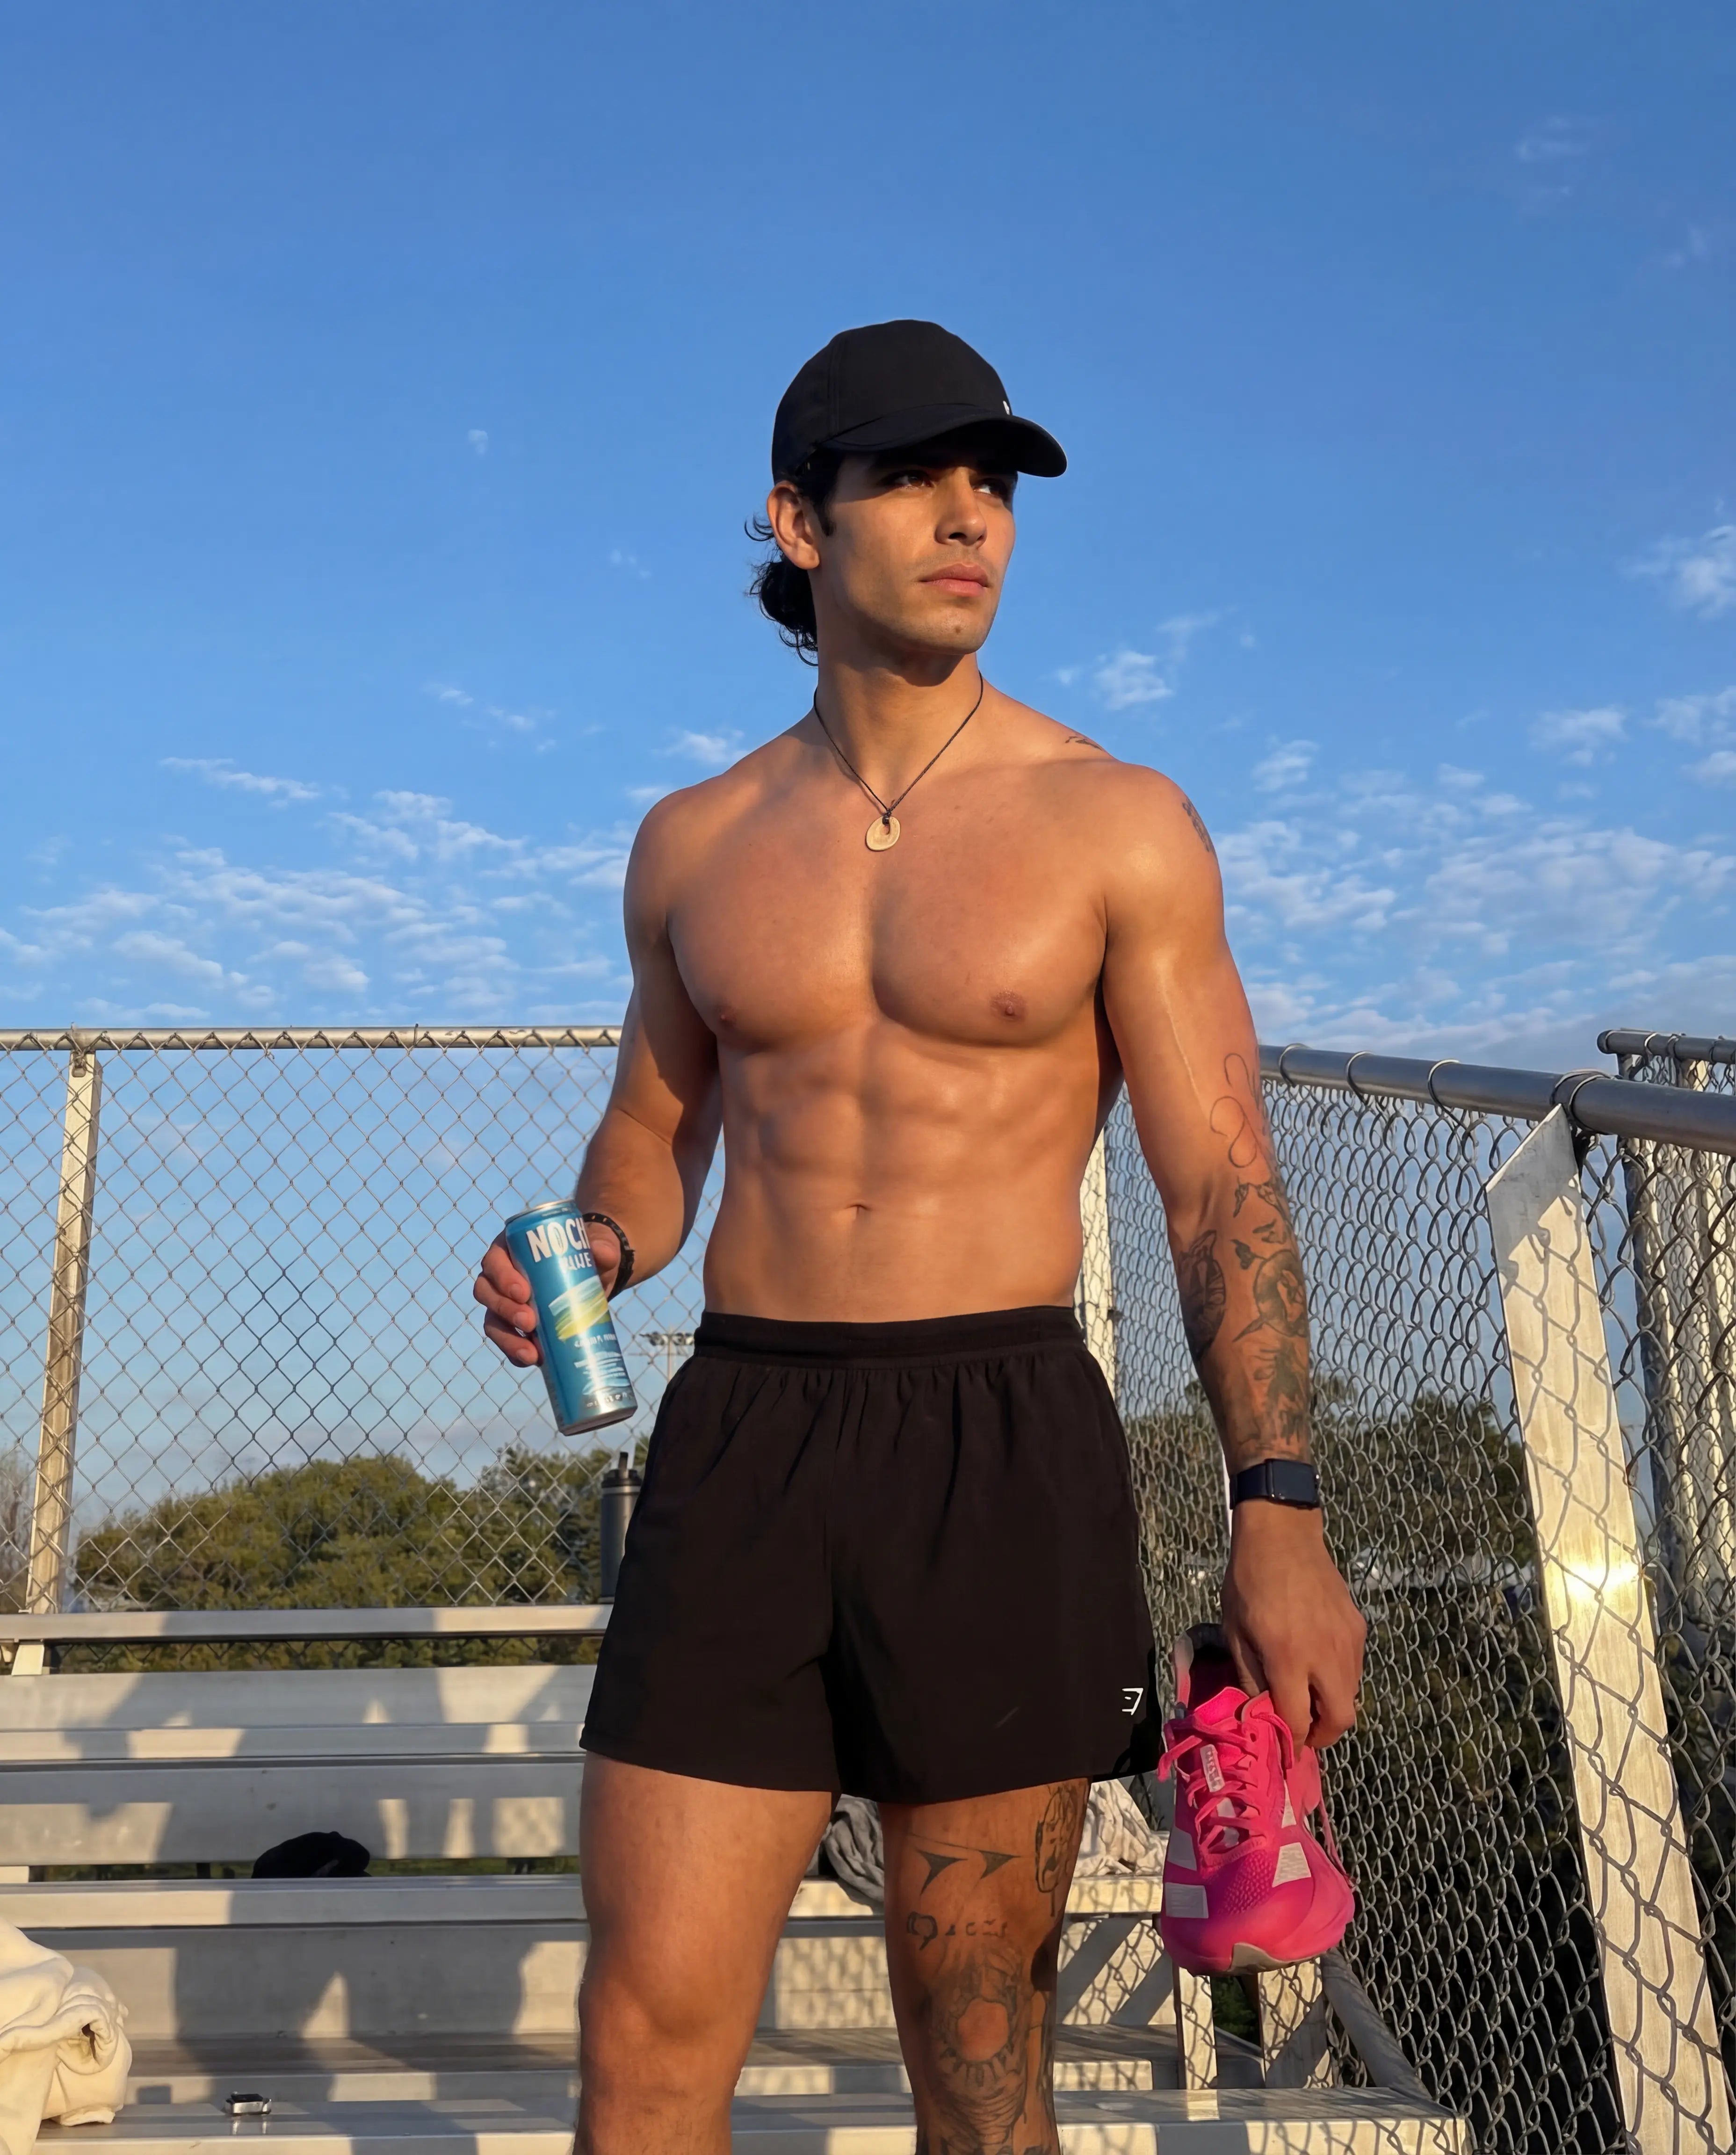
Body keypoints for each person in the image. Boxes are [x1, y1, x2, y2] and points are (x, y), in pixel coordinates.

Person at [474, 319, 1365, 2155]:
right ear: (801, 522)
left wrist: (1277, 1507)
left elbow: (1220, 1190)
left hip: (997, 1443)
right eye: (913, 477)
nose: (970, 517)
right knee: (639, 2044)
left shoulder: (1113, 823)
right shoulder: (692, 844)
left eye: (995, 481)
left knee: (975, 2065)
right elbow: (651, 1144)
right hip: (744, 1442)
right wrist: (583, 1251)